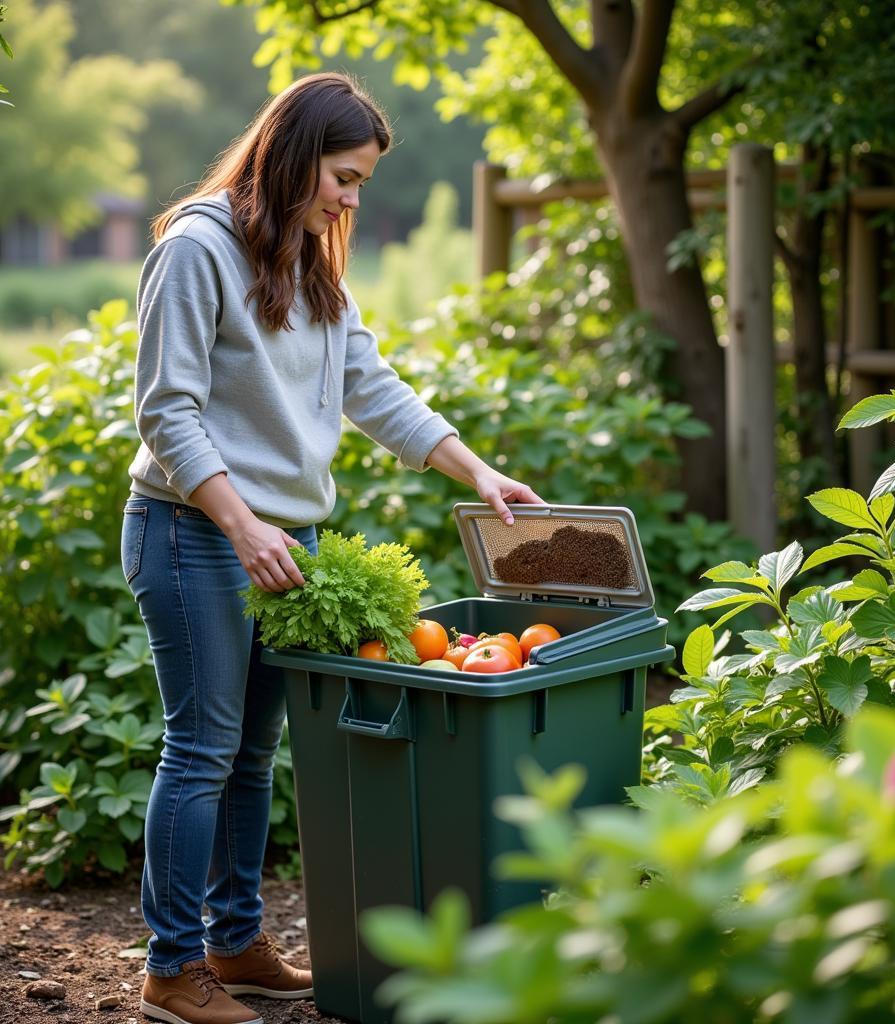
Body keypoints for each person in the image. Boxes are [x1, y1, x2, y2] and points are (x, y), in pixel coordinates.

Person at [121, 71, 545, 1024]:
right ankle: (169, 968)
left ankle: (234, 944)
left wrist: (476, 471)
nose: (352, 199)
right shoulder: (197, 251)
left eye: (360, 183)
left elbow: (373, 387)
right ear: (293, 156)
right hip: (195, 532)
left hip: (281, 538)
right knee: (201, 749)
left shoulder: (309, 259)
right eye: (343, 177)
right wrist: (243, 523)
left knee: (254, 752)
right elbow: (167, 411)